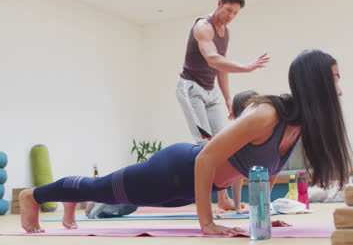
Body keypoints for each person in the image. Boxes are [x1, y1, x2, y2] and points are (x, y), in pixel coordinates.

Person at [19, 49, 353, 235]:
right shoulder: (267, 115)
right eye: (334, 79)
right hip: (176, 169)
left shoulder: (298, 127)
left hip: (189, 188)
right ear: (315, 82)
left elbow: (259, 173)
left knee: (98, 189)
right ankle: (33, 196)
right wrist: (206, 225)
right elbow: (206, 159)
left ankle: (69, 198)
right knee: (100, 188)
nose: (339, 89)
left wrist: (261, 217)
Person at [84, 90, 260, 219]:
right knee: (140, 189)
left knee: (140, 197)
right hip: (176, 171)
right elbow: (214, 168)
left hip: (184, 187)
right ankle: (98, 196)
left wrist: (237, 207)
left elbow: (238, 174)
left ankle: (105, 201)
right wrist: (215, 208)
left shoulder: (250, 138)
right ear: (238, 115)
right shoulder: (234, 135)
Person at [176, 0, 269, 211]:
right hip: (191, 89)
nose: (230, 16)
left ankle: (224, 199)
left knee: (226, 143)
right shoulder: (203, 27)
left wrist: (228, 98)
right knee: (205, 145)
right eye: (228, 10)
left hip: (211, 92)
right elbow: (212, 58)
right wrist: (246, 67)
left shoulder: (225, 32)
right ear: (219, 4)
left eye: (235, 13)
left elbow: (221, 66)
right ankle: (205, 202)